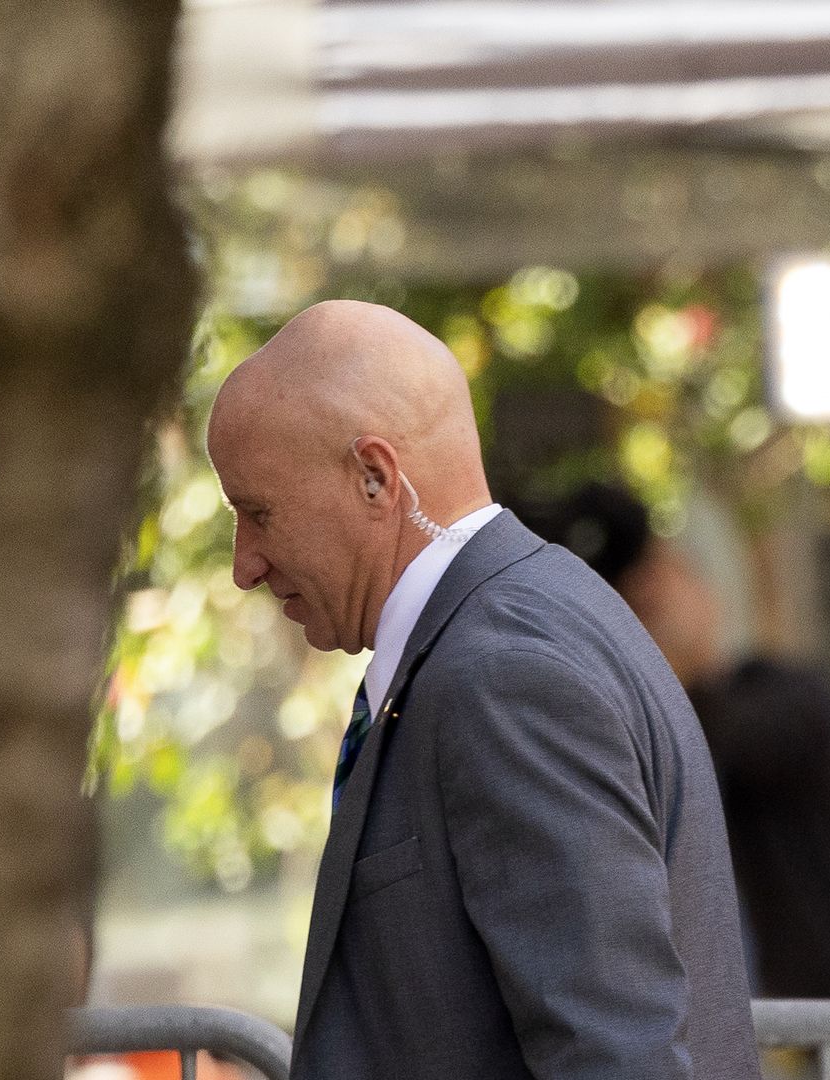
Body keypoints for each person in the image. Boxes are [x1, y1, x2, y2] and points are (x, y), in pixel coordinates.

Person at [204, 301, 759, 1080]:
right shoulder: (519, 627)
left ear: (375, 476)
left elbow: (614, 1053)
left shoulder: (503, 672)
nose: (245, 564)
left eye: (258, 513)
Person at [515, 484, 830, 999]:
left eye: (661, 579)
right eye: (632, 595)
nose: (647, 603)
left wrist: (665, 665)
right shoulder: (600, 719)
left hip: (796, 1023)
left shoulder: (788, 700)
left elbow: (726, 750)